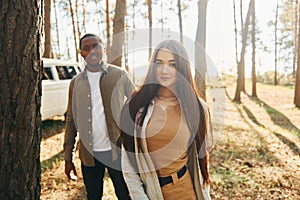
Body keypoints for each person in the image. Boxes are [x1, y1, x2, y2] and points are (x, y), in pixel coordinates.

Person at [119, 40, 212, 200]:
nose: (164, 70)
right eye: (159, 63)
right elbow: (127, 160)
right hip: (151, 191)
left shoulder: (197, 107)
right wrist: (139, 196)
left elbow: (202, 157)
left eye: (172, 64)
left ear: (182, 68)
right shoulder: (136, 104)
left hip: (184, 189)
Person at [63, 33, 134, 200]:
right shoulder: (76, 83)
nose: (92, 51)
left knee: (125, 195)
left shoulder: (120, 75)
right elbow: (71, 121)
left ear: (103, 48)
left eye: (95, 46)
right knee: (93, 196)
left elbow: (138, 107)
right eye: (86, 48)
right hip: (89, 154)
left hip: (118, 151)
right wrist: (68, 156)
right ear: (81, 54)